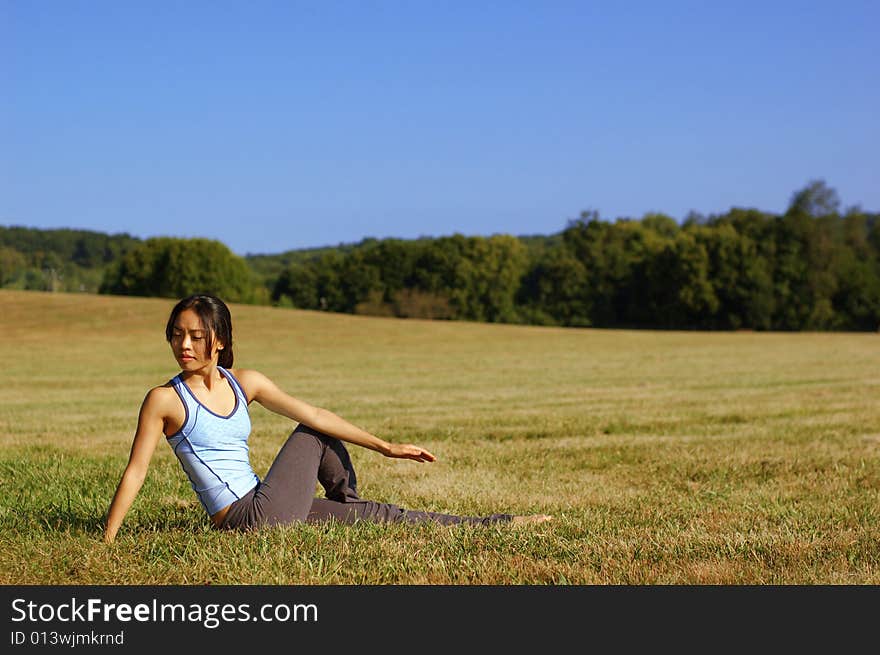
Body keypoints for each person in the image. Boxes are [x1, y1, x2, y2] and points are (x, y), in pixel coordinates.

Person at [103, 293, 551, 542]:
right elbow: (136, 472)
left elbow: (315, 409)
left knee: (380, 517)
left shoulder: (246, 382)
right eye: (177, 335)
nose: (184, 345)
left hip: (267, 503)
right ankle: (347, 498)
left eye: (196, 336)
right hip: (244, 518)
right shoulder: (164, 399)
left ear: (219, 340)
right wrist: (106, 541)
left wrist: (386, 446)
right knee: (312, 431)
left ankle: (501, 524)